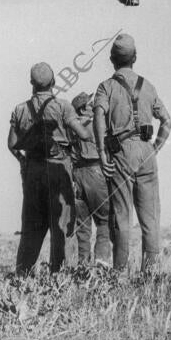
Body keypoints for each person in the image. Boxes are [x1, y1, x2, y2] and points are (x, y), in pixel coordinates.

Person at [93, 33, 171, 273]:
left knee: (121, 216)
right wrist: (154, 149)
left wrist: (102, 154)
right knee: (150, 219)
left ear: (111, 59)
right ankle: (151, 272)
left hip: (121, 154)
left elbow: (98, 117)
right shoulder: (148, 86)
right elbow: (167, 122)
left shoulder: (106, 87)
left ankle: (120, 272)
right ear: (135, 58)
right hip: (146, 151)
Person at [8, 62, 92, 275]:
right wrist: (82, 122)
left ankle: (23, 275)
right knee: (63, 226)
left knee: (31, 228)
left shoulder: (19, 109)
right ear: (53, 82)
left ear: (31, 84)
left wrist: (22, 160)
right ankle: (60, 275)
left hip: (33, 172)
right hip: (58, 169)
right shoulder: (63, 106)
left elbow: (11, 144)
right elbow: (84, 135)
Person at [70, 92, 111, 266]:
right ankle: (101, 263)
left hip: (76, 175)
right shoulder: (97, 124)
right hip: (95, 172)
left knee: (83, 226)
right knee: (104, 221)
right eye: (90, 103)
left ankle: (83, 266)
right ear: (83, 108)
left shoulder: (70, 127)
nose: (93, 104)